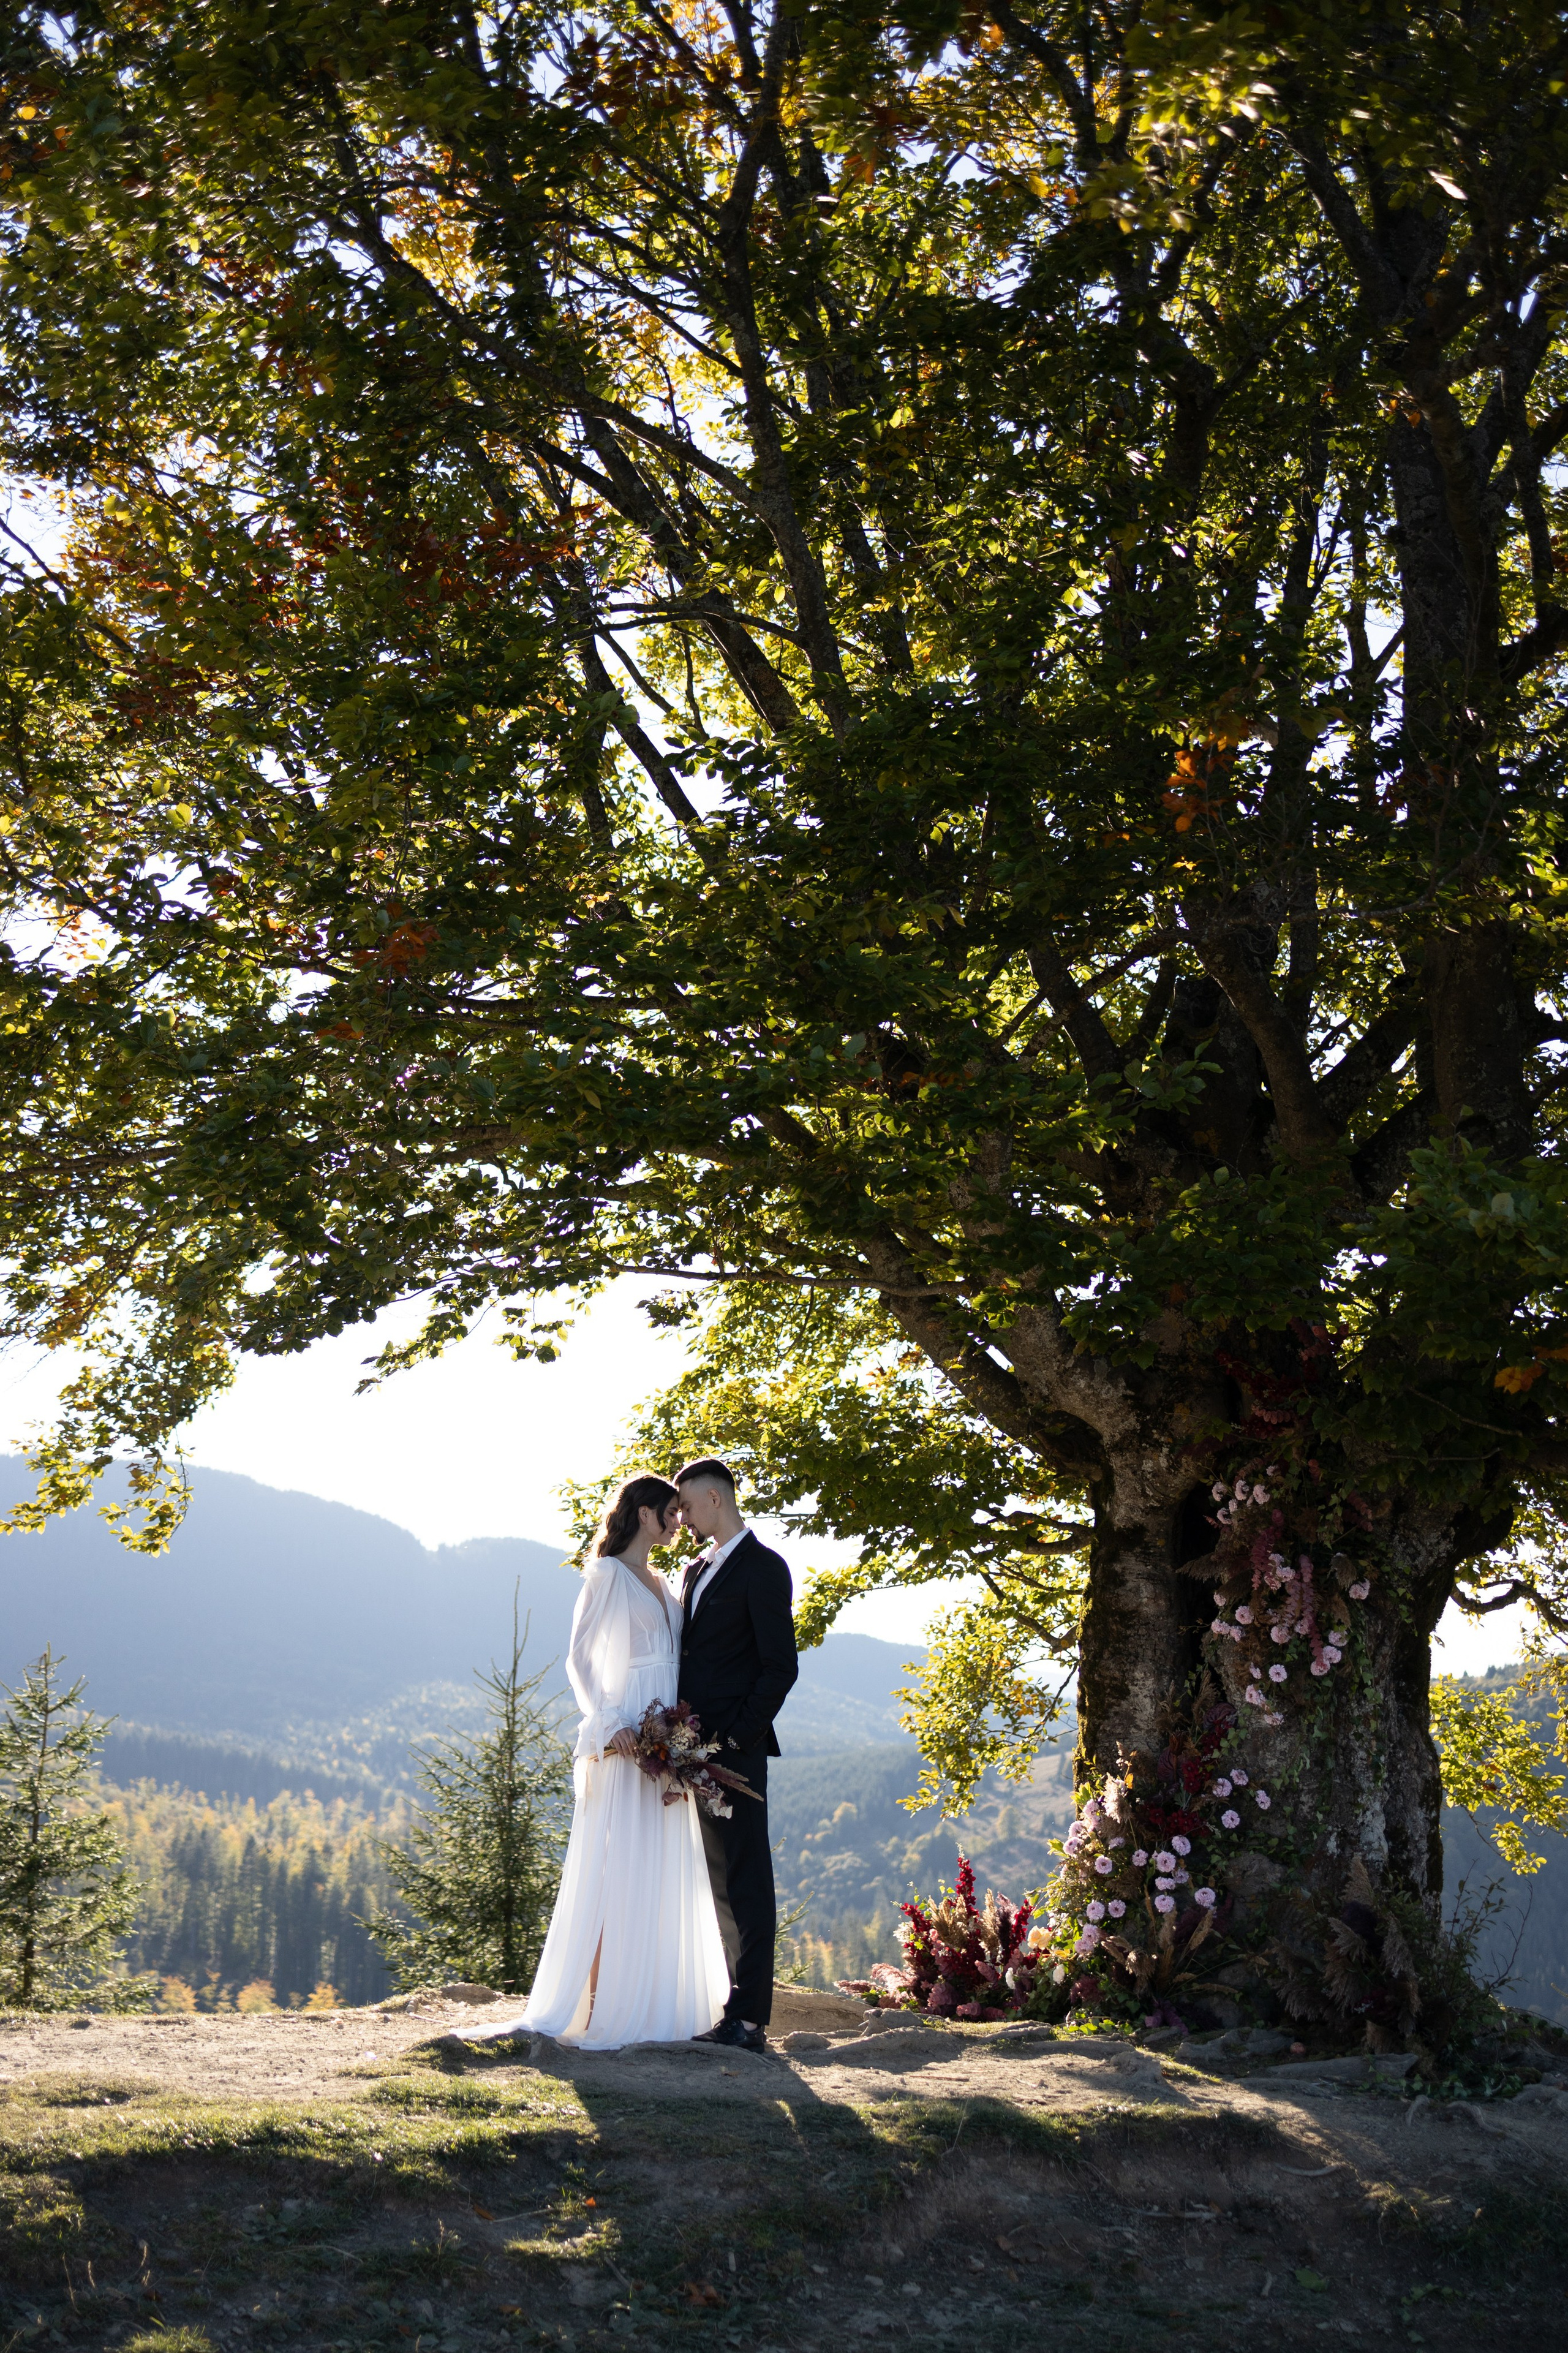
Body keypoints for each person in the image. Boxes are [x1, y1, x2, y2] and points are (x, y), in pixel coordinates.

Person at [519, 1474, 730, 2049]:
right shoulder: (607, 1574)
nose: (679, 1521)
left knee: (660, 1869)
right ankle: (595, 2009)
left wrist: (681, 1736)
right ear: (643, 1514)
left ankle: (657, 2002)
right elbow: (579, 1657)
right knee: (613, 1871)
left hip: (668, 1744)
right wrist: (610, 1722)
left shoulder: (667, 1582)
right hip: (628, 1741)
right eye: (670, 1511)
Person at [674, 1456, 799, 2053]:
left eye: (689, 1506)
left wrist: (735, 1740)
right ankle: (726, 2007)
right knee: (717, 1881)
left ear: (715, 1500)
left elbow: (780, 1667)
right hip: (690, 1751)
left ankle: (748, 2020)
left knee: (748, 1880)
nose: (685, 1517)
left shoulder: (764, 1568)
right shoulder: (695, 1571)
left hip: (738, 1755)